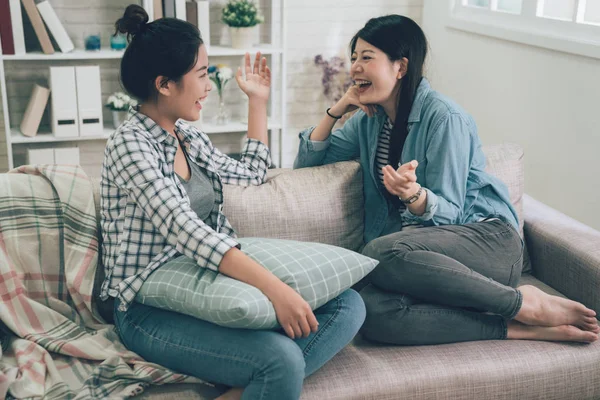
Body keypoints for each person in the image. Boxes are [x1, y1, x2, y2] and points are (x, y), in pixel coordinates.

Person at [100, 5, 365, 400]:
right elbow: (187, 232)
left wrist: (257, 102)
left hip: (204, 284)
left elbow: (253, 173)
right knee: (282, 361)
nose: (209, 85)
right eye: (202, 74)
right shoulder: (130, 145)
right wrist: (277, 290)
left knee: (347, 304)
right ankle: (267, 379)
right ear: (165, 84)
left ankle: (246, 389)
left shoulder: (185, 136)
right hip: (145, 308)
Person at [294, 14, 598, 346]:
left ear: (401, 67)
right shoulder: (369, 120)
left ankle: (522, 304)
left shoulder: (444, 118)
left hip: (487, 242)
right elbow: (308, 162)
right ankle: (517, 327)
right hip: (424, 259)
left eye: (367, 57)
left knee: (379, 252)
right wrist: (337, 109)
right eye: (353, 58)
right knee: (374, 312)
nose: (354, 67)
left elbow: (450, 213)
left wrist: (414, 195)